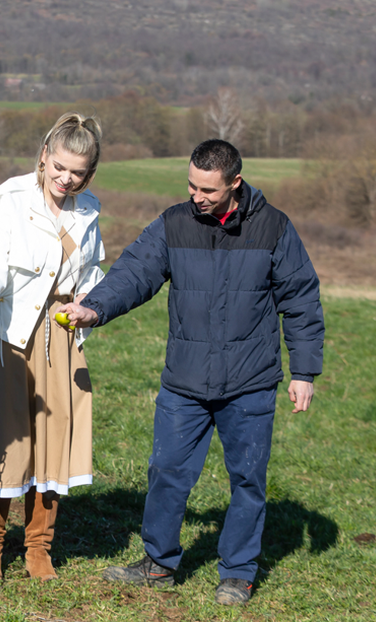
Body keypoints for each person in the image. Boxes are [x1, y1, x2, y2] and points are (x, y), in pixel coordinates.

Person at [56, 139, 325, 605]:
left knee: (248, 480)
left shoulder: (274, 227)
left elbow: (301, 300)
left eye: (208, 190)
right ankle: (158, 563)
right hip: (185, 380)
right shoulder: (174, 223)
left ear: (235, 183)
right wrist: (94, 308)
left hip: (251, 381)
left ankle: (237, 574)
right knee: (167, 472)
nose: (197, 196)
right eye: (191, 186)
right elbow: (135, 273)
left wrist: (304, 371)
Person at [0, 112, 106, 584]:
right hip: (6, 333)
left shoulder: (89, 209)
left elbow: (93, 271)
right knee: (4, 440)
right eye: (59, 167)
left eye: (77, 172)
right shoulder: (9, 198)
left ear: (90, 173)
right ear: (44, 156)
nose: (66, 179)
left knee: (53, 441)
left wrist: (88, 300)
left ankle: (39, 546)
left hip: (60, 336)